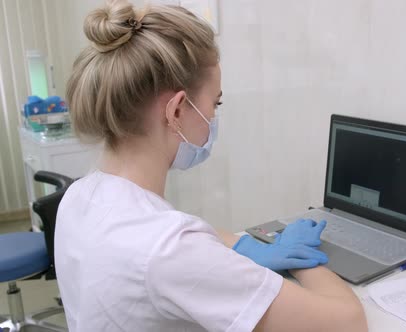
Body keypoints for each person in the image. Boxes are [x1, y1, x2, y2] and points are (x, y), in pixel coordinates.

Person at [54, 1, 368, 331]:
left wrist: (247, 246)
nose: (213, 118)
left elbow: (188, 235)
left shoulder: (80, 196)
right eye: (214, 103)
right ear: (175, 111)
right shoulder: (169, 249)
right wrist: (305, 258)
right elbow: (348, 322)